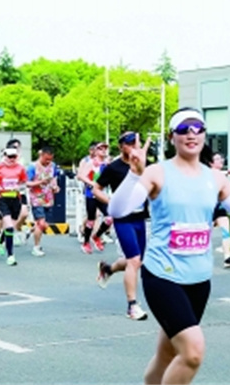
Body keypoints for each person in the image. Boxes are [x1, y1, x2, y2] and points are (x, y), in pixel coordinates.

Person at [108, 107, 230, 385]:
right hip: (163, 275)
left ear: (204, 134)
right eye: (183, 128)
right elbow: (118, 210)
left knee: (167, 354)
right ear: (171, 136)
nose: (191, 134)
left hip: (199, 279)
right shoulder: (156, 173)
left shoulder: (216, 178)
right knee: (193, 352)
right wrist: (134, 174)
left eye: (198, 128)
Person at [93, 131, 149, 321]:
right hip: (123, 219)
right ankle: (132, 305)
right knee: (134, 260)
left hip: (140, 218)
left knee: (137, 260)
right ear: (121, 146)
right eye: (129, 143)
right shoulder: (114, 167)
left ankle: (108, 269)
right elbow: (96, 189)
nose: (133, 146)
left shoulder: (144, 163)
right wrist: (112, 203)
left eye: (135, 143)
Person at [201, 149, 230, 268]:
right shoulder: (205, 175)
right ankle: (200, 257)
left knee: (226, 230)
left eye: (221, 158)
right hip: (208, 209)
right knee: (205, 234)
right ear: (211, 163)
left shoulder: (222, 175)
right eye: (217, 159)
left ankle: (227, 258)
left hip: (220, 208)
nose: (220, 160)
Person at [0, 147, 28, 266]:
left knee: (11, 226)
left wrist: (19, 187)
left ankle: (0, 239)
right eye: (9, 156)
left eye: (14, 156)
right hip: (2, 199)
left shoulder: (20, 168)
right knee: (10, 227)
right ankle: (11, 256)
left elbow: (24, 182)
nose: (12, 159)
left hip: (15, 198)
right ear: (4, 156)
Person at [78, 141, 113, 254]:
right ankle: (86, 242)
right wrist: (92, 183)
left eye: (105, 149)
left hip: (101, 194)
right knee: (91, 220)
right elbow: (81, 176)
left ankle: (97, 236)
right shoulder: (91, 163)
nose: (103, 151)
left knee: (110, 217)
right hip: (91, 194)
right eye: (100, 149)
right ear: (96, 151)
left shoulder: (106, 164)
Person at [26, 146, 60, 257]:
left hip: (49, 199)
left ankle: (31, 230)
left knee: (45, 225)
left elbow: (54, 178)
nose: (48, 162)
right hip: (36, 199)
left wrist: (55, 187)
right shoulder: (32, 167)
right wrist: (40, 182)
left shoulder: (53, 166)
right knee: (41, 223)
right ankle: (36, 247)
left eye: (50, 159)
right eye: (46, 159)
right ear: (41, 155)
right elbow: (27, 183)